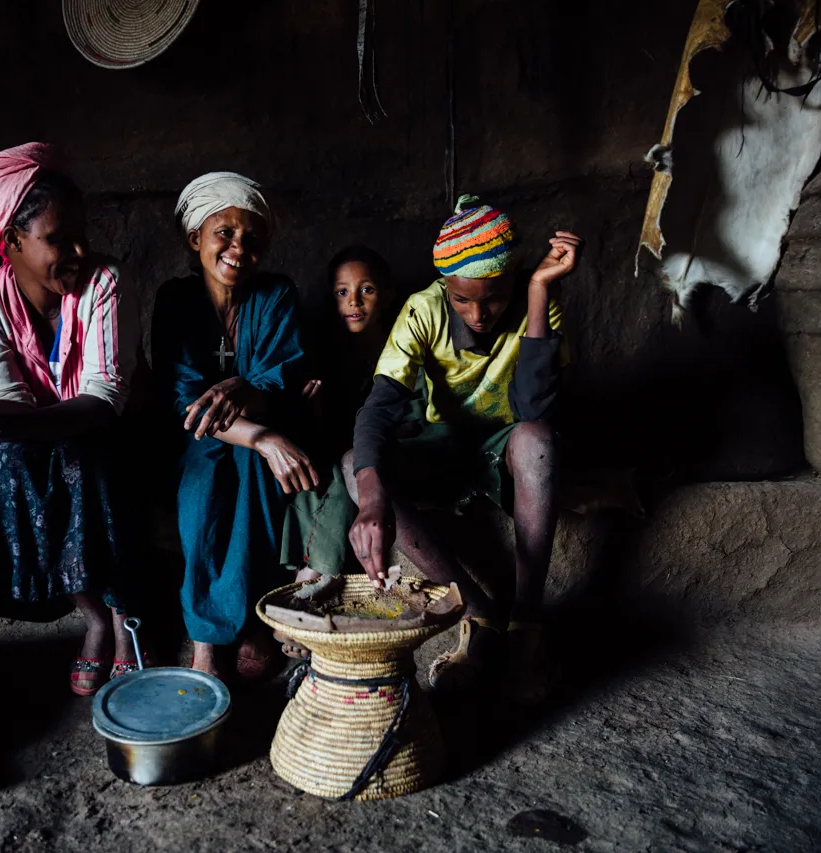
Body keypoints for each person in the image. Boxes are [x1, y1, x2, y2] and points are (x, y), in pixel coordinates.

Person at [0, 143, 144, 697]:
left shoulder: (104, 282)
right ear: (11, 242)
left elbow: (103, 401)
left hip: (111, 431)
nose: (78, 250)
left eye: (81, 234)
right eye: (57, 239)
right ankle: (93, 616)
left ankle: (125, 619)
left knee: (86, 451)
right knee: (10, 457)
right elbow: (5, 399)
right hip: (35, 434)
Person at [345, 194, 581, 702]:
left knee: (539, 440)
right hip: (444, 446)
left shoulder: (538, 303)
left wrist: (538, 291)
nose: (477, 314)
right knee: (353, 466)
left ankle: (526, 624)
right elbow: (379, 407)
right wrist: (371, 496)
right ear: (445, 288)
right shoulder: (423, 310)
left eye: (493, 297)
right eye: (461, 300)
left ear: (514, 278)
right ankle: (478, 612)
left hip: (505, 447)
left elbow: (534, 408)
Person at [153, 172, 321, 681]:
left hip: (262, 426)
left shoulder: (275, 294)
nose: (238, 248)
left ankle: (249, 617)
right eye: (223, 233)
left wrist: (249, 396)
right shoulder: (176, 299)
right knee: (205, 469)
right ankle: (205, 638)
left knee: (253, 470)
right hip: (195, 436)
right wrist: (263, 437)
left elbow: (280, 376)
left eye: (251, 237)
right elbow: (184, 400)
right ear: (195, 239)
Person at [280, 246, 398, 583]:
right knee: (324, 471)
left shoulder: (402, 347)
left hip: (390, 452)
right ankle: (313, 570)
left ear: (387, 295)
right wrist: (313, 412)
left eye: (367, 290)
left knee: (348, 465)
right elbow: (325, 435)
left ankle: (315, 573)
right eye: (342, 292)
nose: (354, 302)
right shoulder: (325, 358)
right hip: (340, 455)